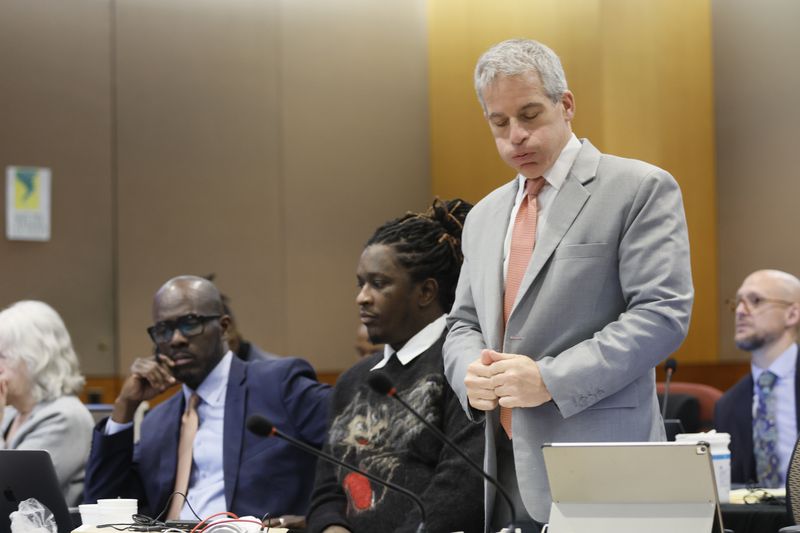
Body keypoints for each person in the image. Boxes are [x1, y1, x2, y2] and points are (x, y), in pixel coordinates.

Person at [442, 39, 693, 530]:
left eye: (530, 115)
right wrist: (470, 373)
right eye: (499, 123)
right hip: (505, 467)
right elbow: (462, 324)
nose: (516, 136)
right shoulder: (485, 215)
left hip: (606, 464)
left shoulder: (639, 188)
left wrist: (550, 380)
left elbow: (661, 315)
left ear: (567, 105)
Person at [84, 275, 332, 520]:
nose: (176, 339)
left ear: (224, 327)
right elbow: (102, 509)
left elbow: (354, 445)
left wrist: (319, 519)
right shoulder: (156, 422)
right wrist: (124, 407)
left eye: (190, 323)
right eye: (163, 330)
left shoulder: (278, 385)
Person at [307, 199, 485, 533]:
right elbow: (326, 489)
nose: (362, 297)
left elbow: (461, 487)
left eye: (378, 283)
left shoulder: (463, 365)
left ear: (426, 292)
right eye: (360, 283)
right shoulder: (353, 380)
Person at [0, 300, 95, 507]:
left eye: (2, 356)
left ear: (36, 360)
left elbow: (13, 493)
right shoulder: (9, 414)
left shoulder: (66, 417)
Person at [714, 269, 800, 487]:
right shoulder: (728, 405)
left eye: (755, 300)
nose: (741, 311)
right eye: (738, 302)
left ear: (792, 314)